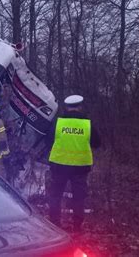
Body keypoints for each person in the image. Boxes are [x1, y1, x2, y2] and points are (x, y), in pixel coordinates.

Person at [47, 95, 101, 232]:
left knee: (55, 195)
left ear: (66, 107)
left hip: (59, 165)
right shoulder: (87, 124)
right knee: (79, 198)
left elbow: (48, 141)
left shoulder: (58, 123)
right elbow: (97, 143)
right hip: (80, 167)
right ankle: (77, 227)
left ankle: (54, 225)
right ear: (80, 107)